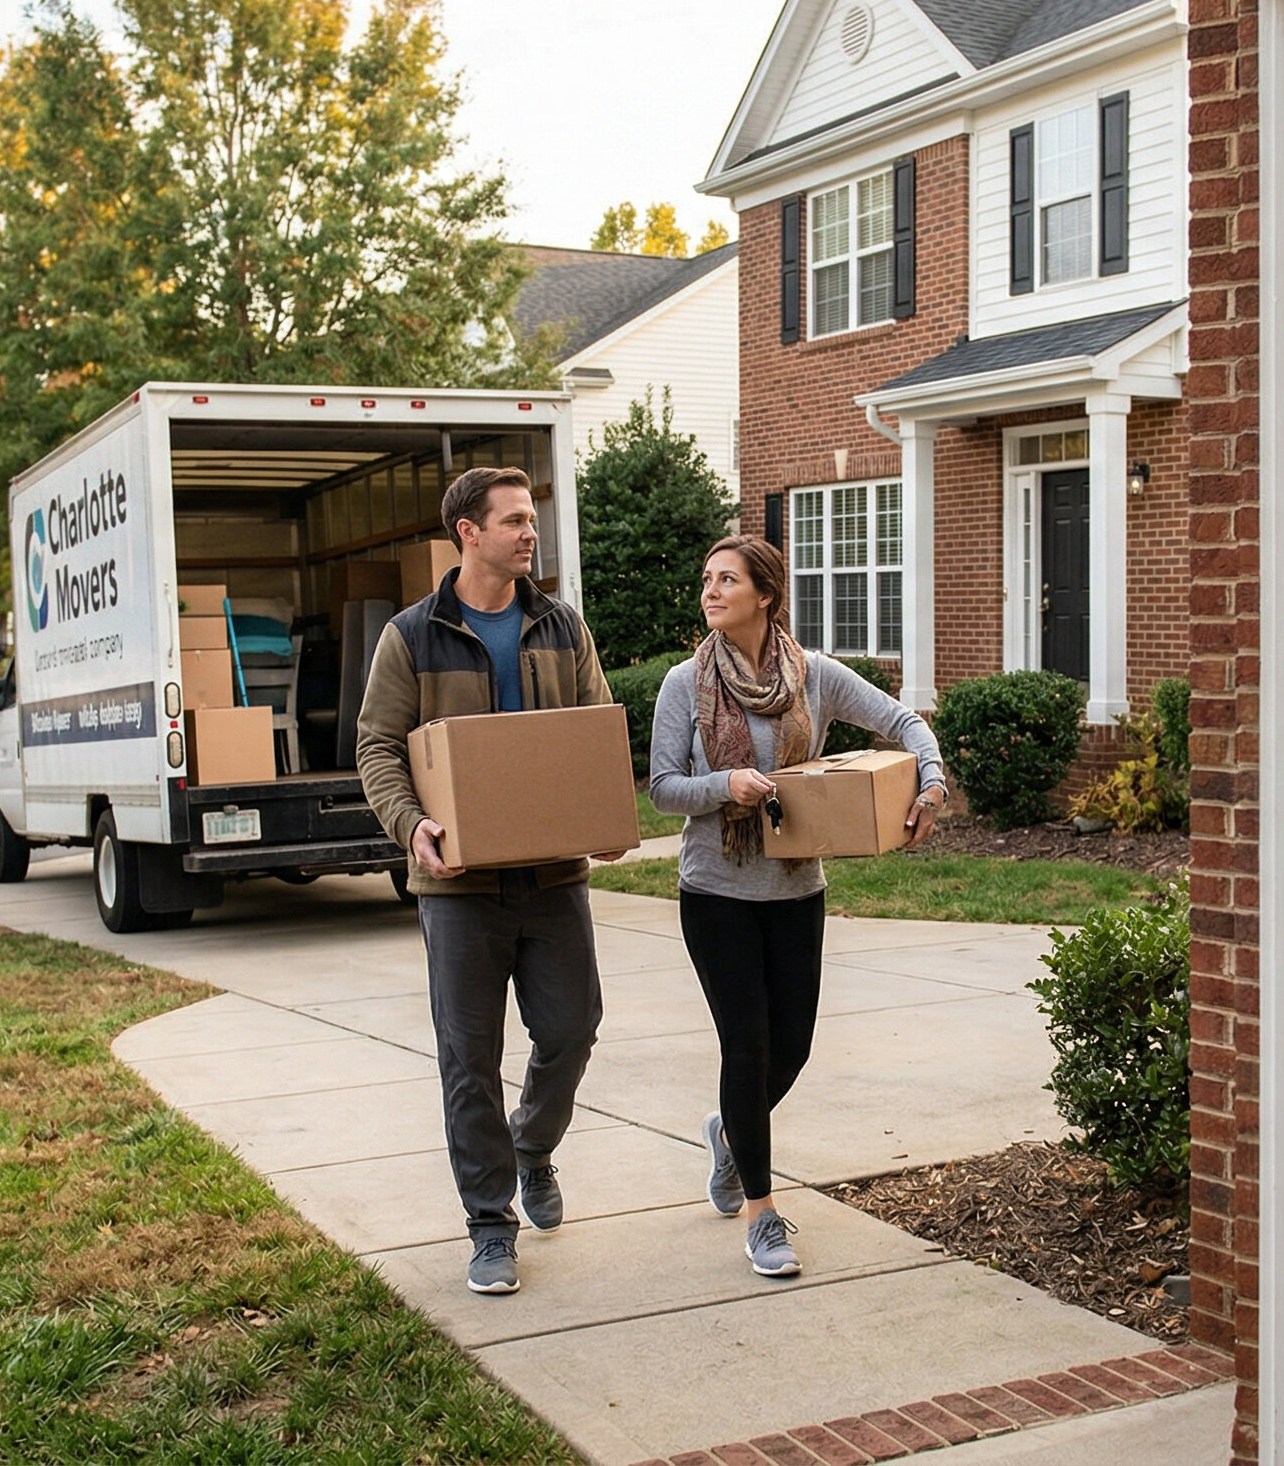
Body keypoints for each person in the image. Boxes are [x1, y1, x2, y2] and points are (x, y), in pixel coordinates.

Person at [645, 534, 947, 1277]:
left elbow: (905, 724)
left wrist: (931, 783)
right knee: (745, 1048)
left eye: (727, 580)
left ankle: (729, 1131)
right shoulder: (685, 683)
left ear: (766, 595)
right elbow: (661, 788)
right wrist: (726, 786)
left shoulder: (815, 678)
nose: (711, 591)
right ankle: (762, 1214)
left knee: (795, 1047)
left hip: (795, 891)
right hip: (716, 891)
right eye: (706, 578)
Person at [357, 466, 625, 1297]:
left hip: (552, 879)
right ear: (467, 533)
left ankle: (532, 1147)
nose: (529, 532)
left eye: (531, 519)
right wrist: (414, 826)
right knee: (469, 1059)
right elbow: (377, 747)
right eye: (512, 520)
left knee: (572, 1030)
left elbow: (593, 734)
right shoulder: (413, 635)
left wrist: (604, 812)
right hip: (460, 889)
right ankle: (489, 1225)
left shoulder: (562, 628)